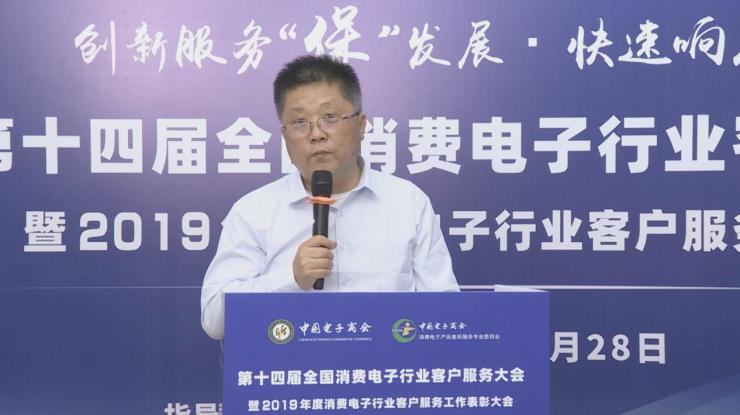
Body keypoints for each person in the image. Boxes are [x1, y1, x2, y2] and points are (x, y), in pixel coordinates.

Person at [200, 55, 458, 340]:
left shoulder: (407, 202)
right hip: (291, 366)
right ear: (284, 135)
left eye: (330, 118)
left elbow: (446, 312)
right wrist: (291, 279)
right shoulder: (253, 211)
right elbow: (215, 320)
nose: (316, 134)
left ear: (361, 125)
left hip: (389, 365)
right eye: (300, 122)